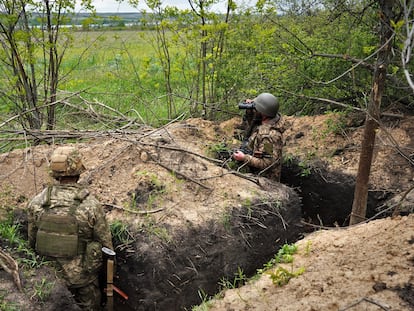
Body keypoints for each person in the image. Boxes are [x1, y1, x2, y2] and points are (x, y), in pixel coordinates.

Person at [27, 146, 113, 310]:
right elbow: (106, 245)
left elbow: (31, 241)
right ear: (79, 171)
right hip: (82, 279)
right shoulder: (91, 205)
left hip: (47, 276)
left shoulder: (37, 202)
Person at [232, 92, 286, 182]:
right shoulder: (267, 120)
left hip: (265, 181)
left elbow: (266, 163)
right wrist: (249, 110)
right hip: (255, 173)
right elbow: (251, 123)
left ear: (262, 113)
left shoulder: (270, 137)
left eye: (256, 109)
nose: (255, 110)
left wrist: (244, 157)